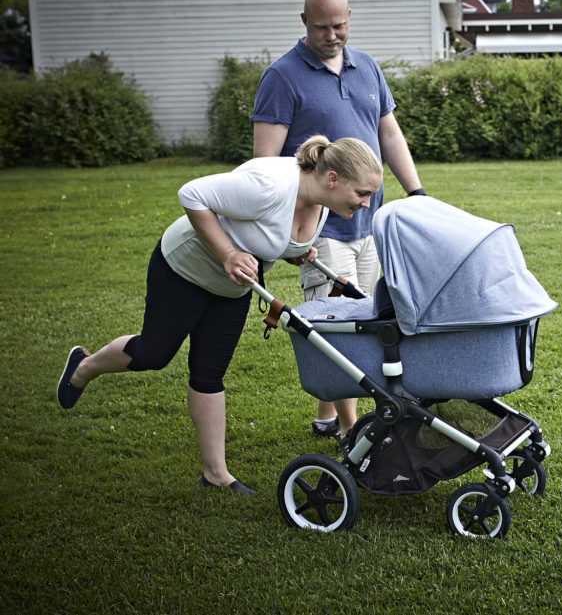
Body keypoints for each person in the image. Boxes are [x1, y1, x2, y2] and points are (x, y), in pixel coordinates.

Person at [56, 136, 383, 495]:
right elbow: (192, 194)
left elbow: (266, 232)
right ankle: (83, 367)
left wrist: (293, 253)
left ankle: (215, 473)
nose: (366, 204)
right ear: (333, 179)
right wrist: (227, 253)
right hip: (183, 270)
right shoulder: (270, 185)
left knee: (209, 372)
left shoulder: (320, 201)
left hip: (233, 288)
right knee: (153, 353)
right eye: (362, 194)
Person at [251, 0, 425, 440]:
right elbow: (265, 167)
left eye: (340, 25)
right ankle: (352, 430)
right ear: (304, 21)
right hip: (322, 226)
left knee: (363, 322)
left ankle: (328, 416)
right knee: (336, 329)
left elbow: (389, 133)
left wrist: (416, 191)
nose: (332, 35)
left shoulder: (366, 67)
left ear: (351, 18)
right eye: (323, 26)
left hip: (370, 220)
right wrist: (290, 234)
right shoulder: (282, 77)